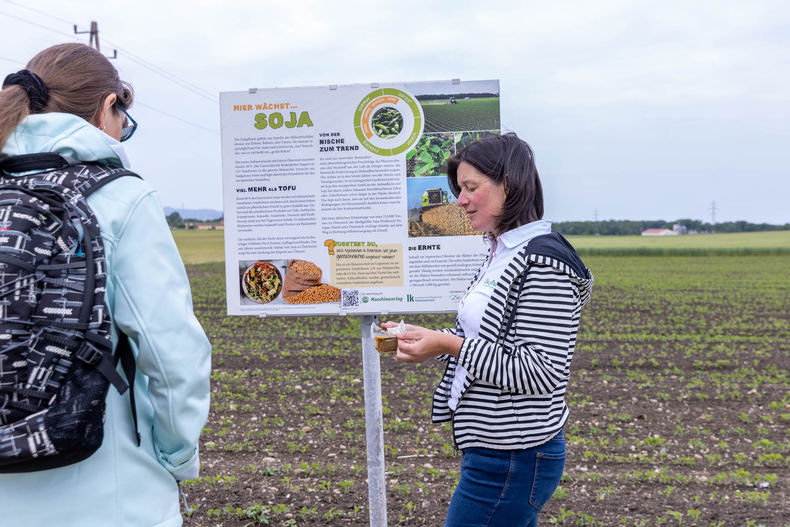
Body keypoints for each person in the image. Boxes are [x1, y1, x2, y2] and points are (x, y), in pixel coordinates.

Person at [0, 43, 211, 526]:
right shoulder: (121, 197)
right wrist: (176, 457)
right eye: (124, 119)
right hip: (108, 491)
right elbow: (171, 353)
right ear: (108, 107)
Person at [386, 133, 593, 526]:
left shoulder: (544, 263)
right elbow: (491, 336)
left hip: (514, 458)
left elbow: (541, 371)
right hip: (498, 453)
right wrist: (427, 337)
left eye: (470, 188)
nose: (460, 200)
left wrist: (449, 345)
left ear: (509, 185)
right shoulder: (505, 251)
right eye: (459, 189)